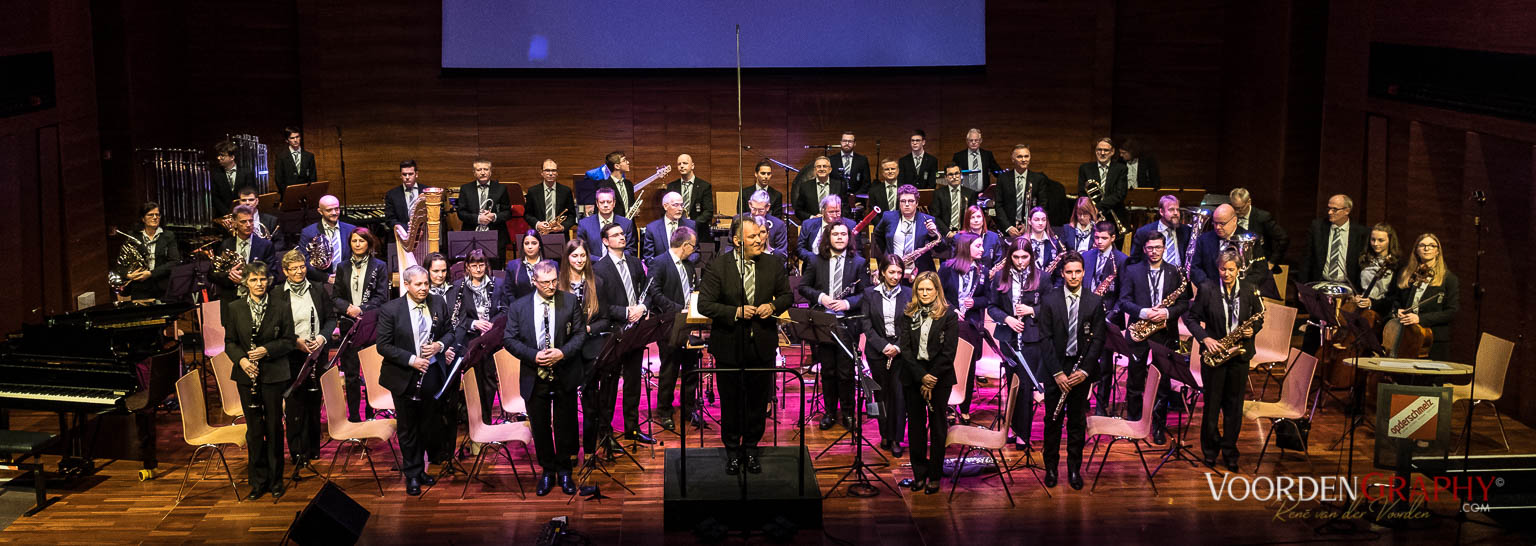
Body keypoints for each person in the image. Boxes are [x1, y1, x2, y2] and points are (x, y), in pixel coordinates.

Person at [696, 215, 792, 475]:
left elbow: (787, 295)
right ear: (738, 241)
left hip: (761, 346)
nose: (760, 239)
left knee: (757, 403)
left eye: (760, 234)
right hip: (729, 346)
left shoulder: (772, 263)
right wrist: (735, 312)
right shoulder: (719, 266)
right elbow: (704, 304)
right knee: (731, 403)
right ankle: (732, 452)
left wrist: (773, 306)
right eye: (752, 236)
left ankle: (751, 449)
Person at [503, 260, 584, 496]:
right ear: (534, 282)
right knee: (540, 426)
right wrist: (534, 356)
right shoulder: (519, 307)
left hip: (564, 372)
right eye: (545, 282)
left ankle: (565, 470)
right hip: (534, 374)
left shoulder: (570, 301)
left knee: (565, 424)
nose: (551, 286)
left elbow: (580, 334)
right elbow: (509, 339)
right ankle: (548, 471)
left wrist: (562, 352)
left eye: (554, 281)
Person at [374, 265, 457, 496]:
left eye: (426, 283)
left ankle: (421, 470)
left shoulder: (437, 302)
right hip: (403, 375)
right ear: (406, 285)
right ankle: (411, 473)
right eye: (418, 284)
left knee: (426, 425)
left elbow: (450, 332)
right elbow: (383, 346)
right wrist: (412, 360)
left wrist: (439, 345)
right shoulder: (391, 309)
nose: (423, 288)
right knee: (408, 427)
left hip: (431, 373)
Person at [1183, 250, 1263, 472]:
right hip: (1214, 355)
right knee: (1211, 406)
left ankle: (1230, 452)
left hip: (1239, 355)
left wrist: (1253, 330)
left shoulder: (1249, 289)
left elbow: (1259, 317)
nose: (1226, 274)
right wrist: (1205, 338)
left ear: (1239, 270)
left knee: (1234, 408)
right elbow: (1191, 318)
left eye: (1231, 270)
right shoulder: (1207, 289)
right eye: (1222, 269)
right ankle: (1210, 451)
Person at [223, 260, 295, 500]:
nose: (259, 284)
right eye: (253, 279)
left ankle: (276, 481)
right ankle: (258, 481)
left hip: (274, 374)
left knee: (274, 427)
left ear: (268, 281)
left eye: (262, 279)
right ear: (246, 282)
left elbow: (289, 340)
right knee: (254, 430)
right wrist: (242, 361)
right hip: (247, 376)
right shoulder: (234, 308)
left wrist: (267, 350)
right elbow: (230, 342)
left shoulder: (281, 306)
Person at [1037, 252, 1107, 490]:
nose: (1074, 276)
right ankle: (1051, 468)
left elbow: (1098, 340)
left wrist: (1085, 371)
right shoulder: (1049, 300)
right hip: (1055, 368)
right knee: (1052, 421)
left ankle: (1074, 469)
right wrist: (1057, 373)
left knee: (1076, 422)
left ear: (1084, 272)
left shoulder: (1094, 301)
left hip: (1080, 370)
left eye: (1078, 271)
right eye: (1069, 272)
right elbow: (1045, 339)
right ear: (1062, 273)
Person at [1116, 232, 1190, 444]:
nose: (1154, 251)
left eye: (1158, 247)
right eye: (1150, 248)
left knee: (1163, 382)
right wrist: (1144, 313)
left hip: (1164, 333)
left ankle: (1158, 427)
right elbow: (1124, 301)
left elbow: (1183, 303)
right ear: (1144, 249)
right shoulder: (1132, 271)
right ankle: (1134, 424)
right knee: (1135, 380)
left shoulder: (1175, 272)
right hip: (1139, 331)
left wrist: (1166, 313)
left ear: (1164, 248)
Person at [592, 222, 656, 445]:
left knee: (633, 381)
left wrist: (643, 307)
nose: (622, 237)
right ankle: (605, 433)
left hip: (636, 331)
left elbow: (647, 291)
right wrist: (627, 312)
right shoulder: (599, 268)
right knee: (609, 385)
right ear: (605, 241)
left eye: (622, 233)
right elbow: (601, 306)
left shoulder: (635, 262)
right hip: (614, 332)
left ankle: (632, 428)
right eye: (616, 235)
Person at [797, 222, 866, 430]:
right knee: (828, 370)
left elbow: (867, 293)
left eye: (843, 234)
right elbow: (803, 287)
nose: (839, 237)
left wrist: (847, 303)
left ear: (849, 238)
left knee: (846, 372)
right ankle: (829, 412)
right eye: (835, 234)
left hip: (847, 323)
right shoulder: (815, 260)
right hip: (823, 323)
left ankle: (848, 413)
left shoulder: (859, 262)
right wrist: (821, 297)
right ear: (828, 237)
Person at [894, 271, 958, 495]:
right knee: (916, 427)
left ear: (937, 290)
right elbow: (906, 349)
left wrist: (931, 379)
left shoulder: (949, 315)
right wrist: (922, 377)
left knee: (938, 427)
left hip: (940, 377)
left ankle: (935, 475)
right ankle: (919, 473)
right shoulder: (908, 313)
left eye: (929, 289)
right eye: (920, 289)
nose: (924, 293)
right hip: (914, 376)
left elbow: (948, 352)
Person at [278, 250, 335, 479]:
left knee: (314, 401)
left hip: (316, 352)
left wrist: (322, 338)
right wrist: (296, 342)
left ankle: (313, 448)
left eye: (302, 267)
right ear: (285, 271)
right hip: (291, 354)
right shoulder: (277, 294)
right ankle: (297, 451)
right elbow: (275, 327)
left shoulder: (318, 289)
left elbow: (331, 318)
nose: (299, 271)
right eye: (293, 268)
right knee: (294, 404)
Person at [986, 238, 1047, 448]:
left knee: (1025, 387)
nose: (1020, 261)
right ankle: (1012, 428)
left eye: (1024, 257)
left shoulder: (1043, 278)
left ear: (1031, 257)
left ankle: (1023, 434)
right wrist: (1007, 319)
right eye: (1016, 257)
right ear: (1010, 257)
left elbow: (1051, 307)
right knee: (1012, 386)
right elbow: (992, 307)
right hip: (1009, 340)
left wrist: (1032, 310)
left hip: (1031, 340)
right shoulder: (1000, 277)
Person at [646, 227, 702, 430]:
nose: (694, 250)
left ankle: (689, 408)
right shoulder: (659, 262)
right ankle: (664, 410)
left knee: (691, 368)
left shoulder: (688, 265)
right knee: (669, 368)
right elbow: (655, 293)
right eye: (693, 246)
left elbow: (692, 290)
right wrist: (679, 310)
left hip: (688, 322)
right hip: (668, 323)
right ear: (685, 245)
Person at [331, 228, 389, 421]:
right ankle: (354, 417)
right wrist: (348, 308)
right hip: (349, 324)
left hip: (371, 324)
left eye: (361, 241)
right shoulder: (342, 267)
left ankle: (371, 415)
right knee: (351, 374)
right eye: (354, 240)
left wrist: (361, 309)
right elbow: (336, 297)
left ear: (369, 243)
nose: (357, 244)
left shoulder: (379, 266)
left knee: (372, 373)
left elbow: (382, 297)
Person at [559, 239, 609, 459]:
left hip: (590, 350)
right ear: (567, 258)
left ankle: (589, 451)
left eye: (582, 256)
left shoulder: (597, 282)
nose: (579, 260)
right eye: (574, 256)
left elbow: (605, 319)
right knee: (567, 404)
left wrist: (588, 328)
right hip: (566, 352)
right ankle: (570, 451)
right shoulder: (558, 284)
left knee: (590, 404)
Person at [861, 255, 911, 457]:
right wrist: (883, 346)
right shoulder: (869, 293)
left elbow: (910, 325)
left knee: (899, 396)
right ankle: (885, 434)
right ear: (882, 272)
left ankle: (897, 438)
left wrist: (897, 347)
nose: (896, 276)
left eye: (899, 272)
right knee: (880, 395)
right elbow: (866, 324)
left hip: (901, 353)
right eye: (891, 272)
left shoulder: (908, 293)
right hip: (877, 352)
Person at [449, 248, 506, 423]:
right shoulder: (458, 286)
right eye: (474, 265)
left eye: (481, 265)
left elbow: (505, 310)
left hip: (491, 339)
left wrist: (491, 324)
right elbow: (455, 315)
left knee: (488, 379)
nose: (478, 269)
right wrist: (474, 323)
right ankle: (471, 418)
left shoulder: (498, 284)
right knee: (471, 378)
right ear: (467, 267)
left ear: (486, 265)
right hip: (470, 339)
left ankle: (486, 419)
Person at [939, 232, 989, 422]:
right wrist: (952, 309)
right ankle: (948, 406)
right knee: (948, 366)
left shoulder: (983, 271)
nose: (982, 249)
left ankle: (965, 407)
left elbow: (988, 298)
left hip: (971, 326)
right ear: (966, 247)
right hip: (949, 324)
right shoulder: (947, 268)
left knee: (968, 367)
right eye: (978, 246)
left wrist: (975, 302)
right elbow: (938, 294)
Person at [1386, 233, 1459, 360]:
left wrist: (1420, 318)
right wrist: (1397, 310)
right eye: (1422, 245)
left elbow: (1452, 312)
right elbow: (1396, 300)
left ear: (1437, 251)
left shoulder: (1448, 279)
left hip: (1432, 340)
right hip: (1407, 336)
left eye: (1432, 245)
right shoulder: (1407, 274)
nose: (1427, 248)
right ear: (1416, 250)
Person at [1081, 221, 1128, 416]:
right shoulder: (1087, 256)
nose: (1099, 241)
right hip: (1086, 316)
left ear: (1113, 238)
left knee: (1105, 366)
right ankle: (1082, 402)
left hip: (1108, 319)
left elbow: (1124, 295)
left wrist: (1110, 316)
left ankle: (1101, 406)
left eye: (1104, 238)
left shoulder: (1122, 260)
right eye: (1096, 237)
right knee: (1082, 361)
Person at [1189, 204, 1280, 300]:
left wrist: (1241, 287)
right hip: (1211, 295)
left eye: (1222, 223)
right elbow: (1194, 267)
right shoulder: (1204, 239)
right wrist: (1207, 285)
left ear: (1234, 220)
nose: (1218, 227)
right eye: (1215, 223)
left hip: (1243, 295)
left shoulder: (1250, 239)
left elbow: (1261, 270)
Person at [210, 205, 276, 310]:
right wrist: (230, 275)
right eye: (243, 222)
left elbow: (273, 276)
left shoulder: (265, 245)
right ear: (234, 223)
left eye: (251, 221)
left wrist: (246, 280)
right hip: (231, 301)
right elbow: (213, 275)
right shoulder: (226, 244)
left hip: (257, 301)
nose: (248, 225)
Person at [873, 185, 945, 277]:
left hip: (920, 272)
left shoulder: (928, 220)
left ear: (917, 203)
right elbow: (878, 236)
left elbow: (940, 248)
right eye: (903, 201)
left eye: (911, 201)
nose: (907, 204)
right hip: (893, 271)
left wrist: (932, 234)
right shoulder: (888, 217)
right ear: (899, 203)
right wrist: (887, 253)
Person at [994, 144, 1065, 236]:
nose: (1024, 160)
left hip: (1031, 230)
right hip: (1007, 230)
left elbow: (1042, 205)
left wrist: (1029, 225)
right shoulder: (1003, 178)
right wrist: (1008, 227)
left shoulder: (1038, 179)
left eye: (1026, 156)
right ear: (1012, 159)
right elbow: (999, 205)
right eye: (1019, 157)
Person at [1297, 194, 1366, 286]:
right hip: (1320, 283)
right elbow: (1306, 259)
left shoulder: (1361, 232)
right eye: (1329, 208)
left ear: (1347, 211)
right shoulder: (1317, 227)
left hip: (1348, 286)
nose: (1329, 212)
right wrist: (1302, 286)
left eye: (1335, 209)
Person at [457, 158, 513, 268]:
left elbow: (508, 212)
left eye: (486, 169)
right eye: (479, 170)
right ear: (474, 172)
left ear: (490, 171)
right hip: (472, 234)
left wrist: (494, 216)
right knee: (473, 267)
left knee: (496, 269)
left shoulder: (501, 188)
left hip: (496, 236)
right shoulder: (465, 188)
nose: (483, 172)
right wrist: (478, 219)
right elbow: (461, 213)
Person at [123, 202, 180, 301]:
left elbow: (174, 262)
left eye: (157, 215)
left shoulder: (168, 236)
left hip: (163, 287)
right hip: (140, 287)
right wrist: (128, 275)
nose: (155, 217)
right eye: (150, 215)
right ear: (143, 219)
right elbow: (124, 262)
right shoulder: (133, 236)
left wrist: (151, 273)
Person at [298, 195, 357, 284]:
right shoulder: (308, 232)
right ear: (320, 211)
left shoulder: (351, 229)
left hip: (348, 280)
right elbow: (304, 261)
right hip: (322, 283)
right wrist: (326, 278)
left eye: (336, 209)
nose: (334, 213)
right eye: (329, 210)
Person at [1228, 188, 1288, 273]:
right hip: (1236, 268)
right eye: (1234, 208)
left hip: (1260, 268)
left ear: (1249, 202)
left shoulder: (1262, 217)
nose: (1237, 212)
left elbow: (1284, 238)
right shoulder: (1229, 216)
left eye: (1240, 208)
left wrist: (1272, 262)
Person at [1077, 138, 1128, 236]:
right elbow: (1082, 192)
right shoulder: (1085, 168)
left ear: (1112, 152)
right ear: (1095, 151)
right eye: (1099, 150)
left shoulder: (1121, 169)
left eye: (1106, 150)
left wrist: (1099, 207)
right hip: (1091, 215)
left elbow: (1120, 193)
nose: (1102, 153)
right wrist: (1092, 210)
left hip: (1114, 213)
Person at [724, 190, 790, 260]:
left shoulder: (778, 225)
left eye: (761, 210)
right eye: (754, 209)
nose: (756, 213)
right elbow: (730, 246)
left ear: (767, 207)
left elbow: (782, 253)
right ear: (750, 204)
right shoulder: (738, 220)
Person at [1129, 195, 1192, 267]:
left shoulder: (1186, 231)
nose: (1176, 213)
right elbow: (1134, 261)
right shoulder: (1143, 232)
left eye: (1177, 210)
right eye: (1171, 209)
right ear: (1161, 212)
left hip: (1179, 273)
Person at [575, 188, 637, 257]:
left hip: (619, 262)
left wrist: (613, 260)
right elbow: (582, 251)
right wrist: (601, 261)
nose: (605, 205)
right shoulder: (584, 224)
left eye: (609, 202)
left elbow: (631, 250)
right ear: (597, 203)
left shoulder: (626, 223)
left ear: (614, 203)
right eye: (602, 202)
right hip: (594, 263)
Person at [795, 195, 856, 265]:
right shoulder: (808, 225)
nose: (835, 215)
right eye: (831, 212)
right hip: (814, 266)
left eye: (837, 211)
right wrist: (814, 258)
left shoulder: (851, 225)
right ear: (823, 211)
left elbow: (857, 251)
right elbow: (800, 249)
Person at [1353, 223, 1402, 309]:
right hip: (1360, 306)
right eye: (1373, 239)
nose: (1375, 244)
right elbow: (1357, 286)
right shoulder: (1364, 259)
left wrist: (1372, 303)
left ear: (1390, 241)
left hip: (1382, 310)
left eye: (1381, 240)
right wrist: (1356, 296)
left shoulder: (1397, 264)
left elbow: (1395, 297)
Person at [642, 191, 698, 264]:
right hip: (662, 269)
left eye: (681, 205)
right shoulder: (652, 228)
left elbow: (696, 252)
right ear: (665, 206)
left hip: (684, 267)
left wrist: (683, 264)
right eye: (675, 205)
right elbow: (648, 257)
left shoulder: (690, 225)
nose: (680, 209)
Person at [525, 159, 577, 235]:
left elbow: (572, 215)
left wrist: (562, 227)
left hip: (560, 234)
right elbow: (527, 214)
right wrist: (537, 224)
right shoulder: (532, 192)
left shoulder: (566, 191)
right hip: (539, 234)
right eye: (547, 170)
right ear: (542, 173)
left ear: (557, 173)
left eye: (553, 170)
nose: (550, 173)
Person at [666, 154, 716, 233]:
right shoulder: (671, 187)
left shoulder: (704, 186)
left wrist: (692, 224)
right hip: (676, 231)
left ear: (692, 166)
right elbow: (667, 210)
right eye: (679, 164)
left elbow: (708, 212)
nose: (681, 166)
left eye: (685, 163)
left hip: (698, 231)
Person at [210, 140, 256, 218]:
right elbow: (215, 197)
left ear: (232, 157)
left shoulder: (247, 173)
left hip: (244, 214)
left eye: (222, 155)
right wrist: (227, 213)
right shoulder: (215, 174)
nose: (218, 158)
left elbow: (250, 194)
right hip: (223, 216)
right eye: (218, 155)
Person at [792, 157, 844, 223]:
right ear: (815, 170)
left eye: (824, 166)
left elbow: (845, 208)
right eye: (819, 167)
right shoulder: (805, 186)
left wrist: (835, 218)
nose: (821, 169)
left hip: (834, 224)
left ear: (830, 170)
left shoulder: (840, 185)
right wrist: (812, 217)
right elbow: (798, 211)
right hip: (813, 224)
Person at [951, 128, 1002, 194]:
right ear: (967, 141)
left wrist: (1007, 178)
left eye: (976, 140)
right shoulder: (959, 156)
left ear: (980, 141)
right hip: (964, 193)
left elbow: (997, 172)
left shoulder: (987, 155)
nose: (973, 142)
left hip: (983, 193)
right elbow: (952, 173)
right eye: (971, 140)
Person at [933, 164, 977, 237]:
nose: (954, 177)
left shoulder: (970, 193)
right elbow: (935, 216)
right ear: (945, 177)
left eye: (956, 173)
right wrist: (947, 232)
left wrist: (965, 232)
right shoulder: (938, 194)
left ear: (960, 175)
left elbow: (973, 215)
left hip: (965, 234)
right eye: (950, 174)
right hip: (945, 234)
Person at [500, 230, 543, 304]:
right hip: (519, 307)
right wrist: (518, 307)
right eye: (526, 243)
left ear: (539, 245)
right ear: (523, 246)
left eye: (534, 243)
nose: (530, 247)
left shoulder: (551, 265)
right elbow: (508, 292)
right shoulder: (512, 266)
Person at [271, 126, 316, 196]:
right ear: (287, 140)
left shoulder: (309, 156)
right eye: (292, 138)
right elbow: (279, 179)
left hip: (306, 194)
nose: (295, 140)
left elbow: (313, 178)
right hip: (288, 195)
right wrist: (286, 194)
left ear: (300, 137)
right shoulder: (281, 157)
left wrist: (310, 193)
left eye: (297, 137)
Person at [384, 160, 426, 233]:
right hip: (402, 235)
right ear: (400, 175)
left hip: (424, 233)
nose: (407, 177)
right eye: (404, 174)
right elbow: (390, 220)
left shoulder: (427, 192)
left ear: (416, 174)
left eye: (410, 174)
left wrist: (421, 227)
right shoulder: (392, 195)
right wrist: (407, 228)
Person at [1025, 207, 1064, 284]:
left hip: (1048, 286)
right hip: (1026, 285)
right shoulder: (1022, 242)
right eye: (1036, 220)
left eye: (1043, 220)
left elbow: (1059, 273)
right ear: (1029, 221)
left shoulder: (1054, 243)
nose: (1040, 223)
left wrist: (1055, 288)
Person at [960, 205, 1004, 272]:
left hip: (989, 276)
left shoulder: (994, 237)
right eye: (972, 217)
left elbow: (998, 261)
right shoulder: (959, 237)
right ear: (967, 220)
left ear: (983, 219)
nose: (976, 220)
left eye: (978, 217)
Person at [596, 151, 638, 217]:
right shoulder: (604, 186)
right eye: (624, 160)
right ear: (617, 166)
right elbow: (600, 211)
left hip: (629, 223)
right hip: (613, 223)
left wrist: (635, 211)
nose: (628, 162)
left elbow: (631, 205)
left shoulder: (629, 184)